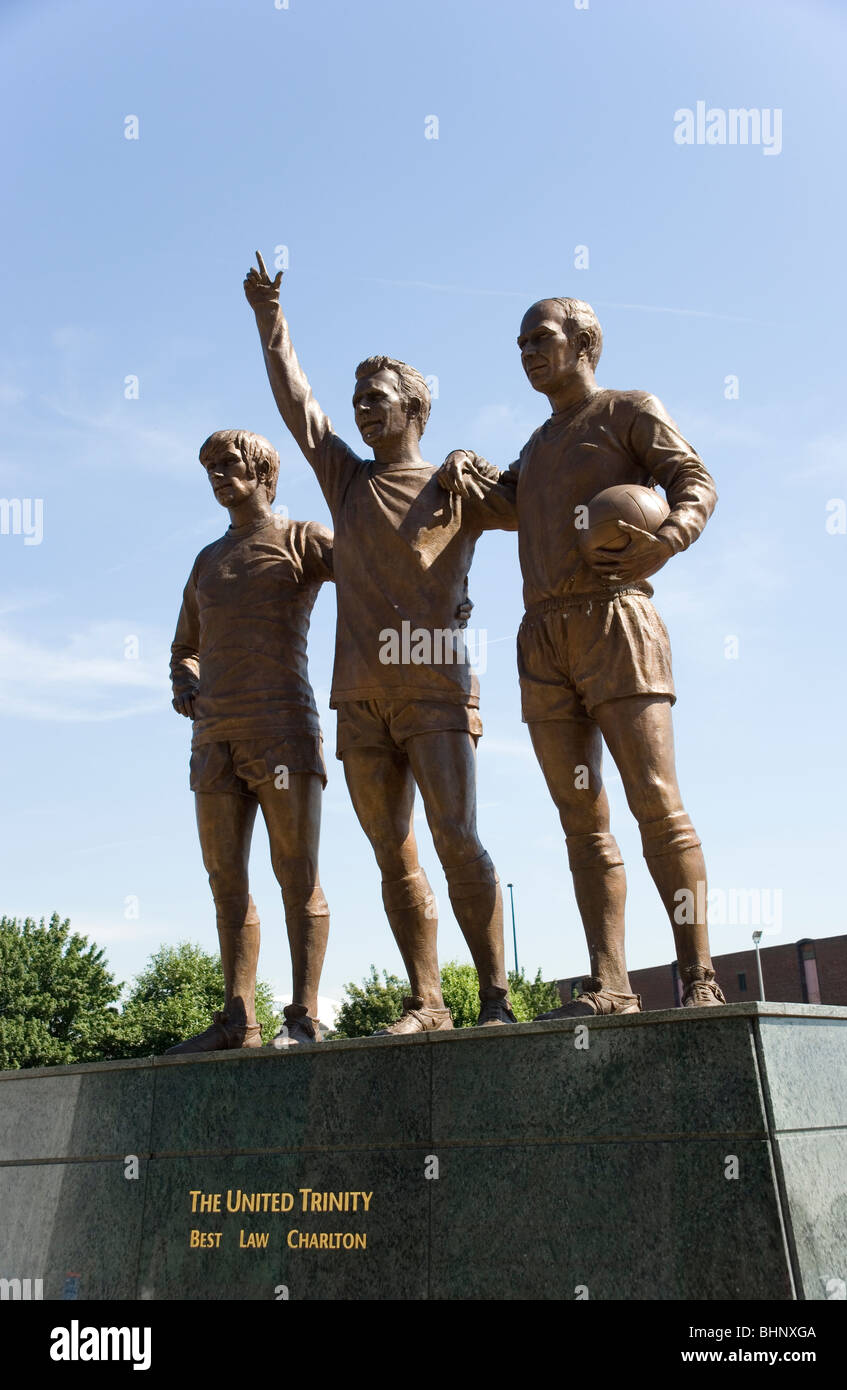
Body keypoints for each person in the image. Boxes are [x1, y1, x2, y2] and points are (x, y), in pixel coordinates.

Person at [244, 254, 518, 1033]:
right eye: (358, 399)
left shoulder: (457, 486)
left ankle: (493, 997)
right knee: (392, 852)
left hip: (434, 686)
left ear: (414, 409)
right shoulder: (347, 480)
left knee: (457, 839)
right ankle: (428, 1001)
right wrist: (271, 319)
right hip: (359, 697)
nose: (362, 409)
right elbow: (298, 403)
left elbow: (542, 502)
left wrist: (487, 468)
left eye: (378, 398)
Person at [438, 297, 726, 1014]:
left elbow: (696, 481)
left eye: (542, 337)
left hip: (617, 622)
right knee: (579, 817)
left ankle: (700, 978)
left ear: (585, 341)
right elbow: (500, 504)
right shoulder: (536, 448)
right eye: (520, 343)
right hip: (543, 636)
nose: (529, 351)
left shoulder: (630, 409)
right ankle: (612, 982)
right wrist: (462, 470)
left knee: (656, 802)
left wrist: (672, 535)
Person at [168, 428, 333, 1051]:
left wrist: (440, 600)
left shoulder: (303, 538)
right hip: (214, 739)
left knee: (297, 872)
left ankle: (305, 1014)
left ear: (261, 470)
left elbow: (378, 580)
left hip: (284, 728)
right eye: (208, 466)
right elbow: (184, 646)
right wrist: (185, 679)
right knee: (225, 880)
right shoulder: (207, 561)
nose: (215, 474)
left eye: (227, 463)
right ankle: (239, 1019)